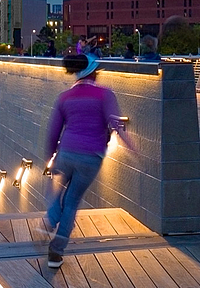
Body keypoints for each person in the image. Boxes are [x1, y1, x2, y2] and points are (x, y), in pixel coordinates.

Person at [40, 53, 133, 269]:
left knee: (54, 190)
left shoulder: (64, 97)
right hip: (92, 156)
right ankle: (56, 253)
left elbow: (53, 131)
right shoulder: (105, 94)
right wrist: (130, 145)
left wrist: (49, 155)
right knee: (72, 203)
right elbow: (114, 122)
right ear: (94, 73)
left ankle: (51, 218)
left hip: (67, 152)